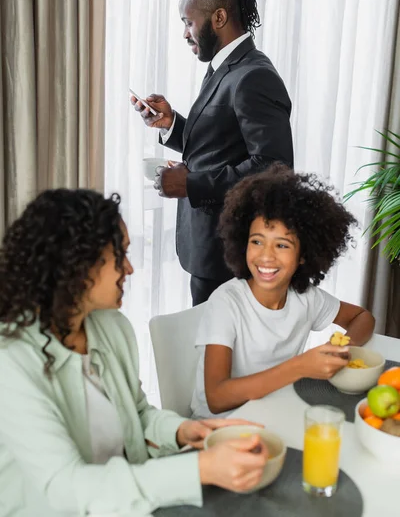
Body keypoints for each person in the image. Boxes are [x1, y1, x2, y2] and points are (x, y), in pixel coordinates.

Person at [0, 189, 269, 517]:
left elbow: (137, 412)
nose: (128, 269)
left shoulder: (112, 328)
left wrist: (181, 430)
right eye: (119, 256)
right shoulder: (11, 361)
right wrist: (199, 469)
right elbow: (66, 486)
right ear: (78, 265)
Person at [132, 0, 293, 306]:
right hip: (211, 254)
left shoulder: (254, 76)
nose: (185, 33)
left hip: (230, 260)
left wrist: (190, 184)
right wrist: (173, 124)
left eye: (188, 22)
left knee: (221, 359)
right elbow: (224, 142)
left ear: (218, 18)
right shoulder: (225, 68)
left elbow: (274, 168)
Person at [191, 164, 376, 419]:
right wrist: (300, 367)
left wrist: (341, 347)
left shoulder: (305, 297)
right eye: (257, 241)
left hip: (274, 415)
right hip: (218, 430)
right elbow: (217, 398)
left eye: (282, 245)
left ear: (304, 255)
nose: (266, 256)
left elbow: (362, 318)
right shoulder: (227, 303)